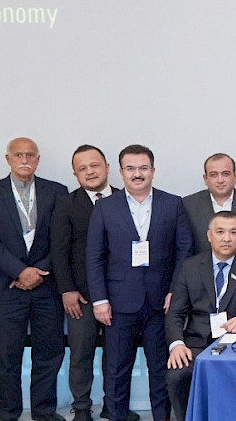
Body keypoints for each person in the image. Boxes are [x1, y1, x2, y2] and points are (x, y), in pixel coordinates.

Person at [87, 144, 194, 421]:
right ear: (121, 172)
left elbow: (184, 251)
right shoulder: (105, 207)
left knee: (160, 370)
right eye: (131, 168)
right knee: (117, 371)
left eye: (143, 168)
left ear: (153, 171)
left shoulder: (173, 203)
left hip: (161, 303)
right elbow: (95, 256)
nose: (137, 174)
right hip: (118, 304)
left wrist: (176, 291)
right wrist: (100, 300)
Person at [0, 137, 69, 421]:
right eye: (18, 155)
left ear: (38, 159)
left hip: (46, 286)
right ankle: (9, 413)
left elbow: (61, 239)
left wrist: (37, 272)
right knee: (6, 356)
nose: (24, 159)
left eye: (30, 155)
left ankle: (44, 411)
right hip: (5, 288)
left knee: (48, 354)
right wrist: (19, 272)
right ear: (8, 159)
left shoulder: (57, 191)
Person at [47, 145, 131, 421]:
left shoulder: (127, 198)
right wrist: (67, 290)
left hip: (120, 294)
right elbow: (59, 250)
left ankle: (113, 406)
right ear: (75, 174)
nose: (90, 172)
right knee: (81, 354)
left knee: (117, 355)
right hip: (81, 297)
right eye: (82, 168)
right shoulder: (66, 203)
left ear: (107, 167)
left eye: (94, 165)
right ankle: (82, 408)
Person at [164, 212, 236, 421]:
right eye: (220, 232)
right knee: (177, 374)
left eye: (233, 232)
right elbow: (175, 313)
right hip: (196, 345)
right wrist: (176, 344)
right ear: (209, 235)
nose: (226, 238)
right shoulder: (190, 266)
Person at [182, 153, 236, 259]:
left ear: (235, 176)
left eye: (225, 174)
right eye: (214, 175)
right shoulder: (188, 204)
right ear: (205, 179)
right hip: (201, 268)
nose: (220, 180)